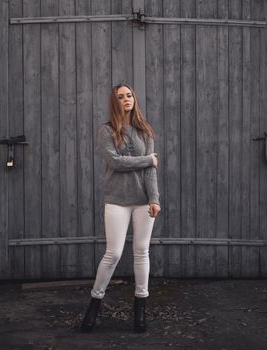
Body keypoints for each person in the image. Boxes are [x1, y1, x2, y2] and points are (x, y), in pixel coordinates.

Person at [81, 84, 161, 333]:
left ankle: (140, 308)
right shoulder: (106, 130)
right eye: (120, 97)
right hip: (116, 200)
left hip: (142, 201)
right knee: (113, 254)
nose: (126, 99)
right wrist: (148, 159)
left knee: (141, 252)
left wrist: (154, 199)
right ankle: (94, 304)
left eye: (129, 95)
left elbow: (150, 172)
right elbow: (115, 162)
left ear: (134, 99)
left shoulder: (145, 131)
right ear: (114, 102)